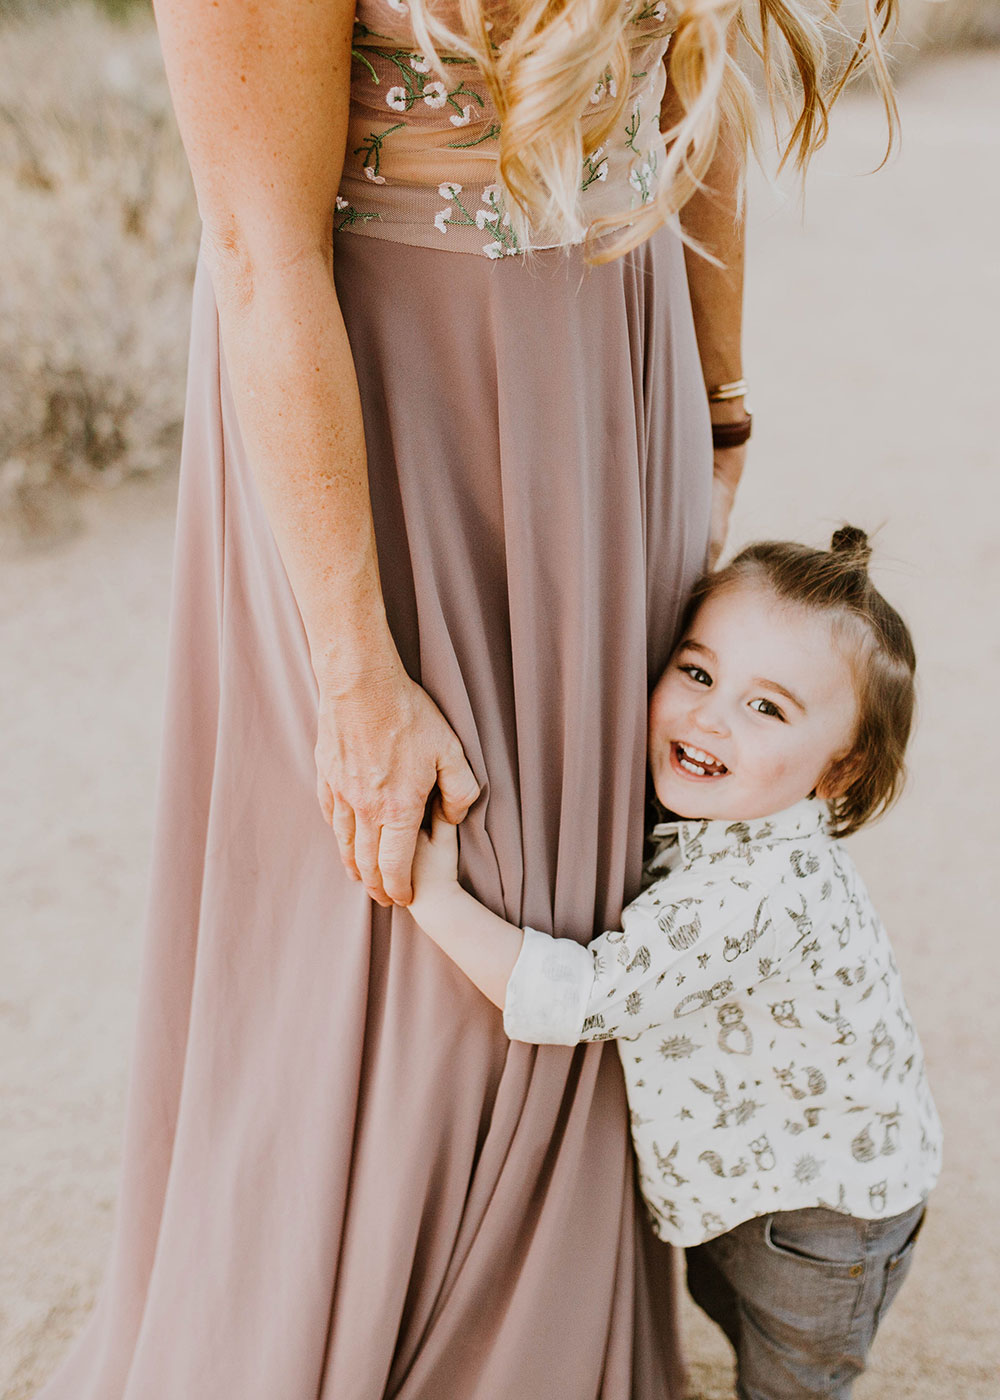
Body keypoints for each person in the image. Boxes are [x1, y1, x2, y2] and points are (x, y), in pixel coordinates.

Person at [34, 0, 898, 1394]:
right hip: (373, 394)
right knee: (414, 870)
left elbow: (697, 83)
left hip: (620, 351)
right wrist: (354, 669)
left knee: (586, 867)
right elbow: (261, 254)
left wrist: (720, 395)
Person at [407, 527, 942, 1398]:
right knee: (725, 1304)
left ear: (838, 771)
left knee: (792, 1379)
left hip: (825, 1218)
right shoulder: (734, 826)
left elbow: (578, 996)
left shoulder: (758, 890)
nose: (709, 716)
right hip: (757, 1180)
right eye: (696, 673)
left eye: (766, 708)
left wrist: (433, 898)